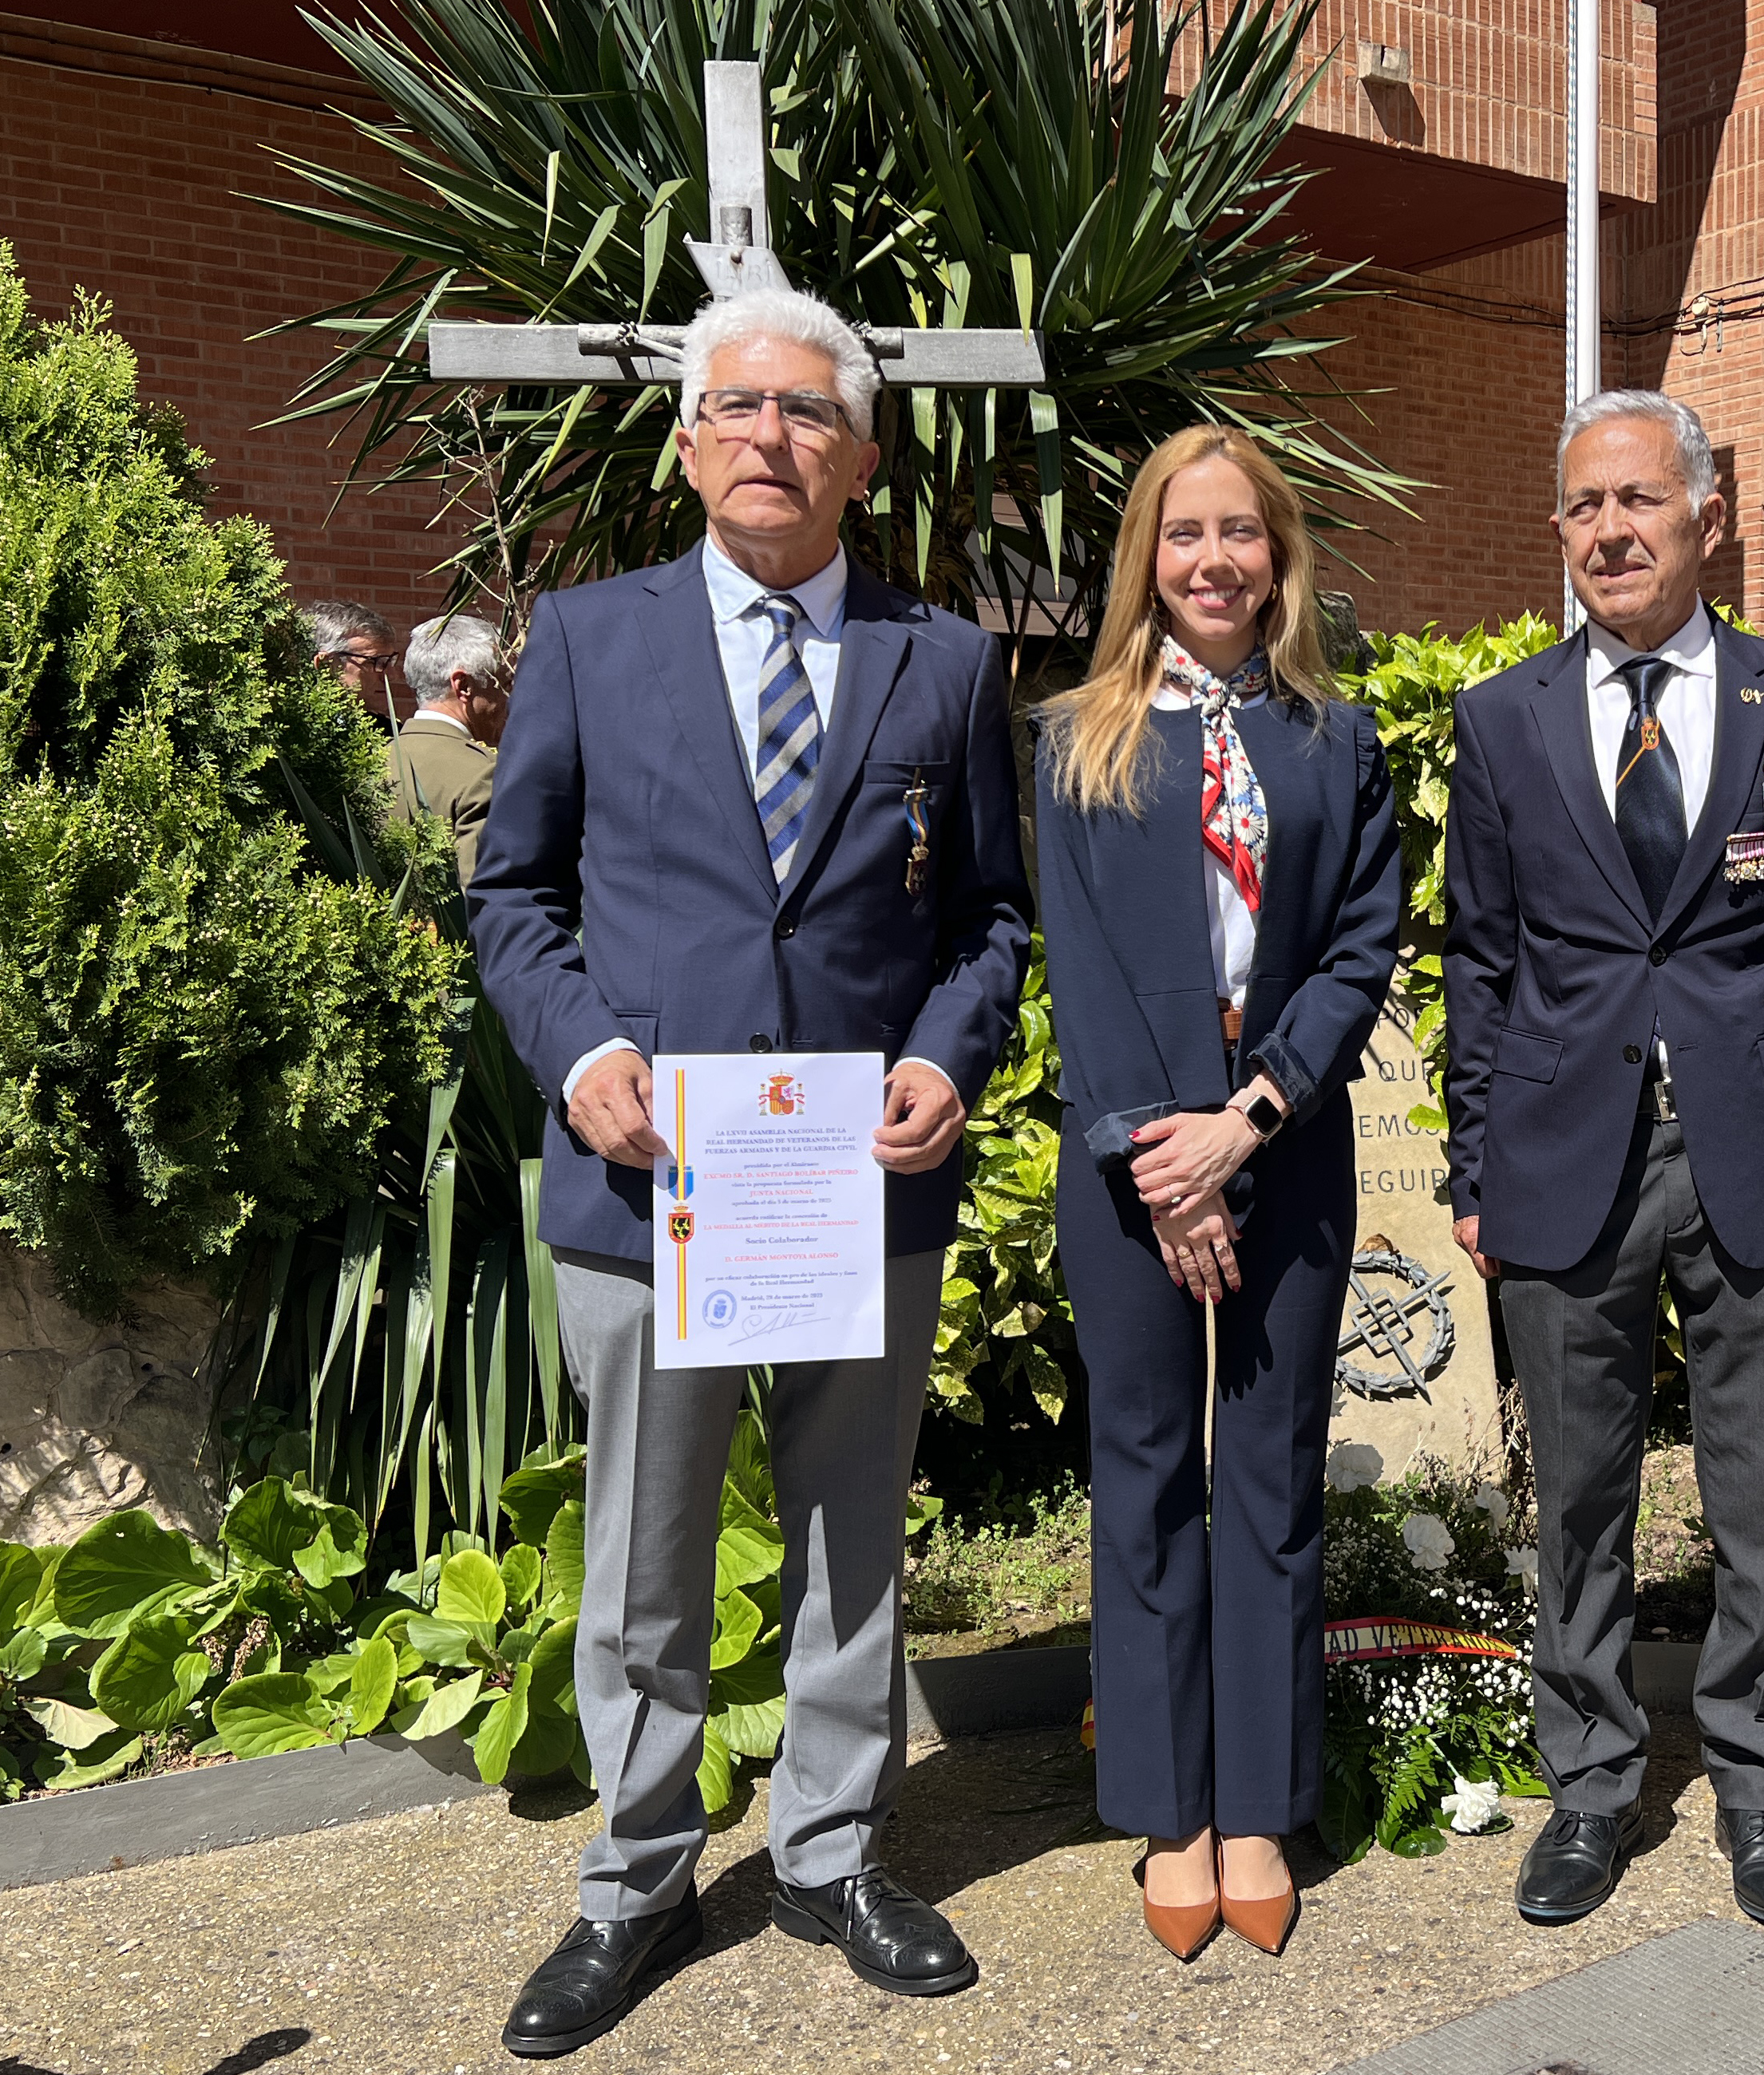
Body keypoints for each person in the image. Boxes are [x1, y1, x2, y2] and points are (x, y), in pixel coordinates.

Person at [469, 287, 1033, 2057]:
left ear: (861, 456)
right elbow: (512, 897)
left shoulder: (940, 661)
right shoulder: (583, 637)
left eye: (807, 412)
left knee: (847, 1539)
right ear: (690, 437)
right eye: (738, 406)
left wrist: (949, 1052)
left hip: (855, 1192)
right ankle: (634, 1884)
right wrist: (582, 1055)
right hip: (654, 1193)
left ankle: (829, 1850)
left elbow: (989, 916)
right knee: (642, 1559)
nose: (769, 435)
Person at [1443, 390, 1764, 1935]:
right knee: (1576, 1499)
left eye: (1637, 499)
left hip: (1759, 1155)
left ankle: (1760, 1786)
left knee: (1759, 1494)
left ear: (1705, 512)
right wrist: (1470, 1167)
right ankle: (1587, 1788)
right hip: (1562, 1163)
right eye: (1580, 507)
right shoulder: (1497, 718)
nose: (1608, 531)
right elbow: (1479, 966)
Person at [1035, 426, 1400, 1962]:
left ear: (1280, 553)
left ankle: (1256, 1800)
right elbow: (1081, 962)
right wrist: (1163, 1158)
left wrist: (1247, 1123)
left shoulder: (1336, 739)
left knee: (1267, 1479)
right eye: (1184, 534)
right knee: (1141, 1476)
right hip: (1130, 1169)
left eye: (1240, 533)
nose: (1213, 562)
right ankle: (1167, 1811)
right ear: (1146, 556)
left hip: (1287, 1152)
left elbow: (1361, 945)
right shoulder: (1075, 738)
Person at [388, 611, 510, 884]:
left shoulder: (370, 761)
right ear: (464, 686)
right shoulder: (481, 775)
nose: (508, 698)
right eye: (504, 683)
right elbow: (484, 899)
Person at [306, 598, 401, 720]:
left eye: (390, 660)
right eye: (374, 662)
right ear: (327, 665)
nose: (391, 676)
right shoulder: (286, 731)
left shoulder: (392, 734)